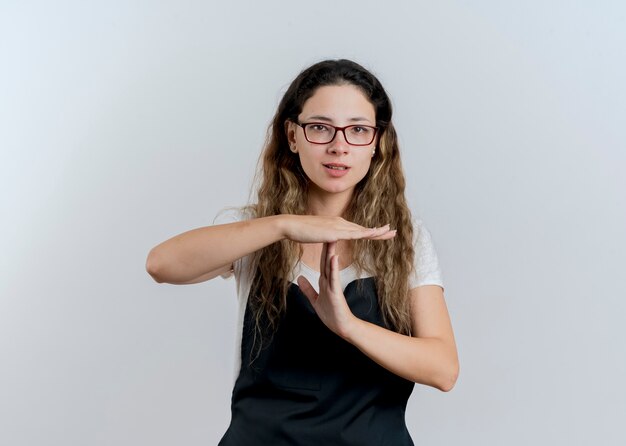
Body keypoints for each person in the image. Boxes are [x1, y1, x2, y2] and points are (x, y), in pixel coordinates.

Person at [146, 59, 459, 445]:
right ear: (293, 136)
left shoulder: (405, 237)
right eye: (320, 128)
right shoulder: (256, 233)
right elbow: (160, 265)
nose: (338, 145)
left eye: (358, 130)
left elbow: (443, 369)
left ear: (377, 142)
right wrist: (283, 225)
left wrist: (348, 326)